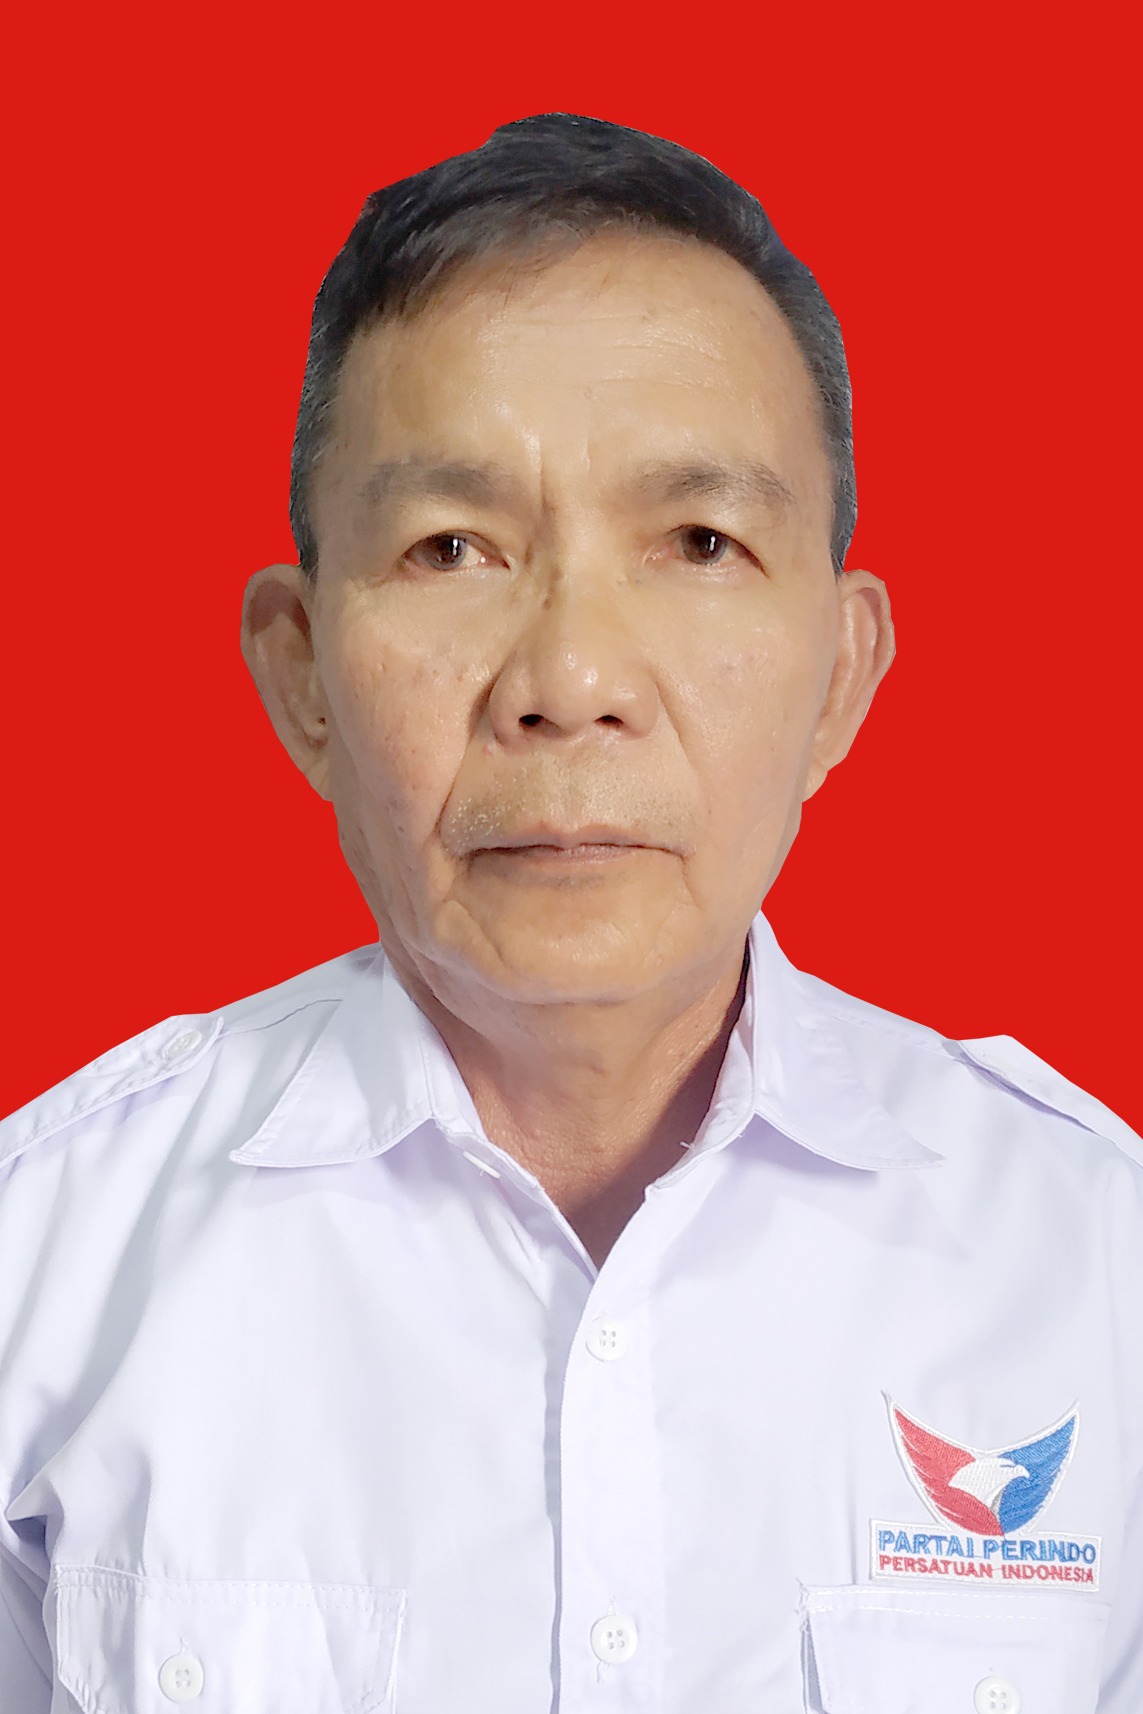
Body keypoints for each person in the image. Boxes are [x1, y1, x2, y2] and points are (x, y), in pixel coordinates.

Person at [0, 114, 1138, 1713]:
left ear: (840, 677)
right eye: (452, 546)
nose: (572, 678)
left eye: (699, 542)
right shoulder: (45, 1262)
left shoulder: (1097, 1265)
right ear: (302, 674)